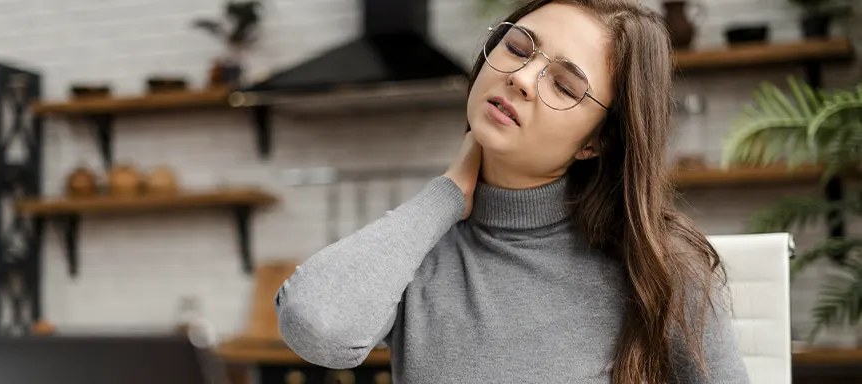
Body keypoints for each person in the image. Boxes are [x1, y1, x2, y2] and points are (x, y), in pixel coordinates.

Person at [274, 0, 750, 383]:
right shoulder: (419, 249)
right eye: (519, 48)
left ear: (596, 141)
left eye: (564, 86)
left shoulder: (660, 270)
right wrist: (444, 195)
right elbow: (318, 328)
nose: (520, 78)